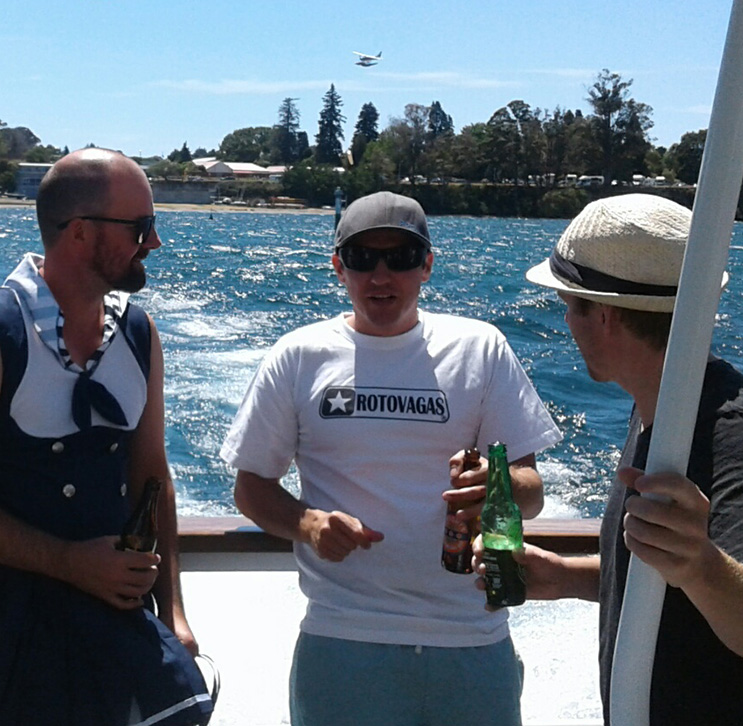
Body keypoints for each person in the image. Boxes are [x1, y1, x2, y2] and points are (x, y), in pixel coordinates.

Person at [220, 191, 562, 726]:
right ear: (338, 267)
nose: (381, 275)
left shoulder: (481, 348)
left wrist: (493, 485)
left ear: (426, 265)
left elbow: (531, 489)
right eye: (362, 258)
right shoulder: (298, 356)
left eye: (400, 258)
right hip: (343, 639)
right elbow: (251, 486)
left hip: (471, 638)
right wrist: (308, 523)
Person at [0, 148, 213, 726]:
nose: (155, 243)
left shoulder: (138, 335)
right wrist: (69, 562)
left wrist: (172, 611)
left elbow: (151, 477)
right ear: (79, 234)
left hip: (110, 643)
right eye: (142, 227)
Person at [503, 193, 743, 725]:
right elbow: (676, 582)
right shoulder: (662, 407)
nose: (566, 321)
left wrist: (703, 566)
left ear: (605, 315)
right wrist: (567, 576)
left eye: (570, 304)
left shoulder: (731, 431)